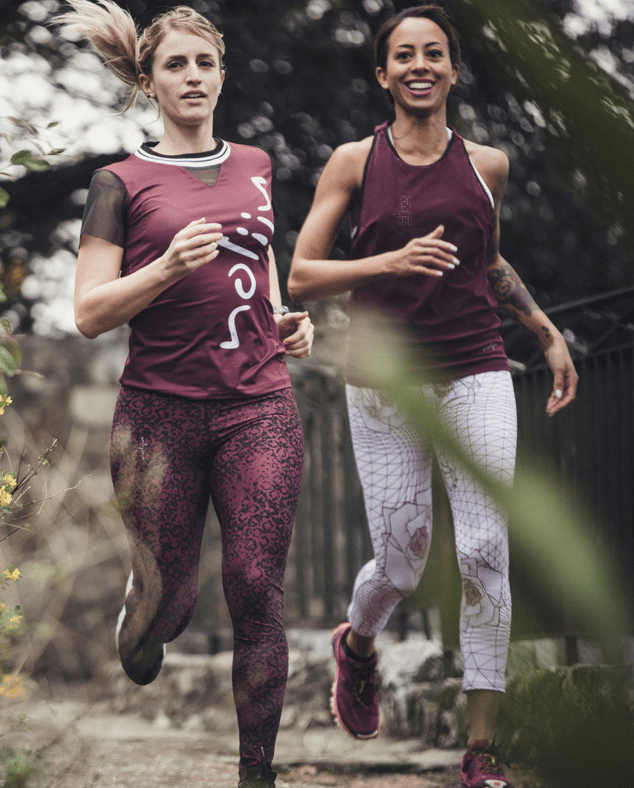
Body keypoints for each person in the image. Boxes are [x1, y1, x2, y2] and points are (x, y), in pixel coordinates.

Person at [288, 6, 577, 788]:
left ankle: (481, 752)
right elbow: (302, 275)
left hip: (476, 368)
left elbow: (487, 259)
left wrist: (545, 330)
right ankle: (357, 644)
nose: (420, 65)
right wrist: (386, 263)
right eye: (404, 55)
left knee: (485, 550)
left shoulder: (487, 166)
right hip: (385, 383)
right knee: (403, 561)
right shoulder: (354, 162)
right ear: (383, 74)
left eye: (435, 53)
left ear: (452, 69)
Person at [53, 3, 314, 786]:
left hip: (258, 406)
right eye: (176, 65)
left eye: (205, 63)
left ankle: (256, 773)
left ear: (222, 76)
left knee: (256, 586)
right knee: (170, 608)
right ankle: (145, 614)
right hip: (157, 416)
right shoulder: (119, 184)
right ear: (149, 81)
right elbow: (89, 313)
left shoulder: (256, 164)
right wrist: (166, 267)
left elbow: (260, 264)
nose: (193, 77)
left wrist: (283, 319)